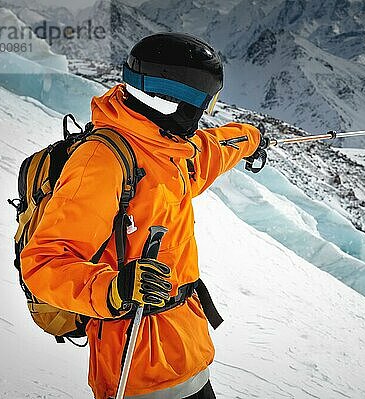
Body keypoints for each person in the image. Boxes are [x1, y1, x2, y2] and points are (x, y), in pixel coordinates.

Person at [20, 33, 265, 399]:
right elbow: (43, 263)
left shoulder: (167, 147)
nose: (203, 118)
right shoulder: (101, 164)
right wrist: (114, 289)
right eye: (205, 105)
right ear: (180, 102)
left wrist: (254, 139)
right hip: (135, 367)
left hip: (185, 348)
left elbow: (215, 150)